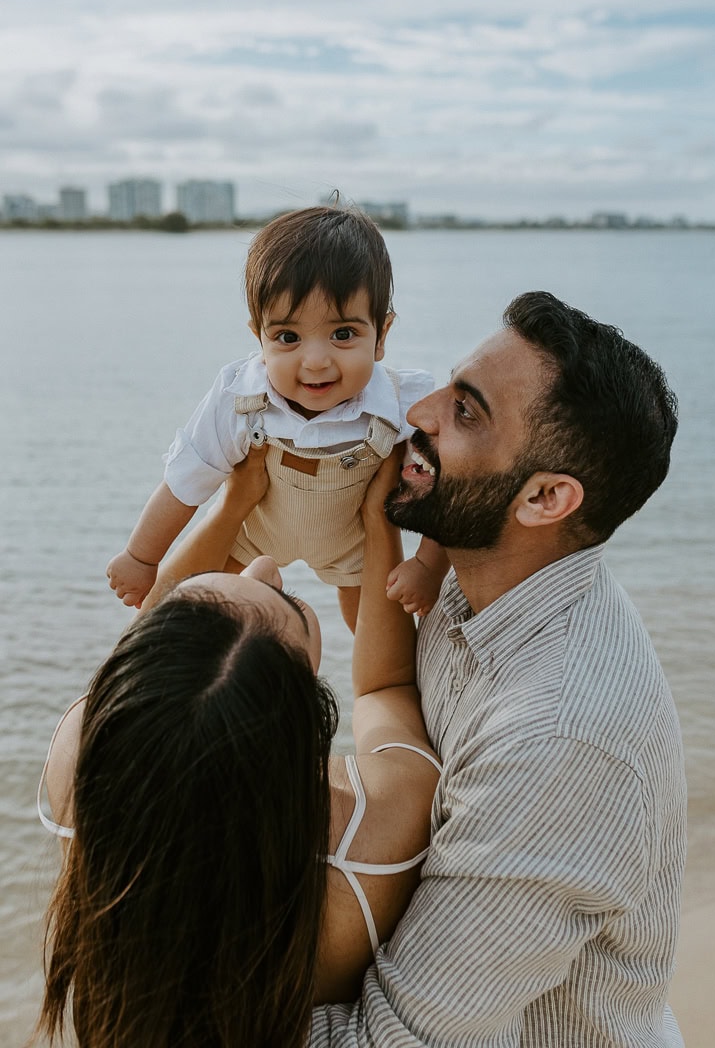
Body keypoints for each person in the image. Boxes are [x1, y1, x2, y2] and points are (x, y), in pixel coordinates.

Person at [309, 291, 687, 1046]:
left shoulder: (561, 741)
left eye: (467, 412)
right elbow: (389, 698)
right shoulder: (480, 570)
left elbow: (395, 1041)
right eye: (449, 386)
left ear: (547, 498)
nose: (421, 413)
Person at [37, 449, 442, 1048]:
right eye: (289, 605)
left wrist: (235, 502)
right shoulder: (372, 837)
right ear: (304, 722)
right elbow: (386, 687)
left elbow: (154, 643)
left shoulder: (82, 756)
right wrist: (377, 523)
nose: (267, 567)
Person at [105, 205, 448, 630]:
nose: (317, 361)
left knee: (377, 633)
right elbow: (185, 481)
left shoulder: (401, 404)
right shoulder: (241, 397)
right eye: (288, 337)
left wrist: (428, 566)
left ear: (382, 336)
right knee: (191, 613)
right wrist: (142, 556)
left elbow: (446, 485)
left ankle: (383, 690)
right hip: (254, 534)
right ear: (259, 338)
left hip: (353, 546)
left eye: (343, 334)